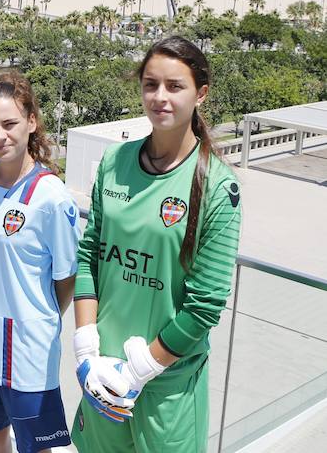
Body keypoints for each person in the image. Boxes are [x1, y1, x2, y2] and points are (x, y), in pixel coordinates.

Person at [71, 36, 241, 453]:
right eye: (151, 84)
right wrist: (87, 347)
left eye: (174, 86)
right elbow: (90, 253)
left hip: (166, 386)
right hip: (104, 377)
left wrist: (140, 369)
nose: (160, 97)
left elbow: (205, 305)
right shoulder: (115, 162)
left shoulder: (219, 186)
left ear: (200, 94)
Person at [0, 71, 79, 453]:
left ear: (31, 121)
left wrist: (34, 315)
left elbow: (66, 279)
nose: (0, 136)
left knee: (37, 446)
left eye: (9, 124)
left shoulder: (52, 198)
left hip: (27, 350)